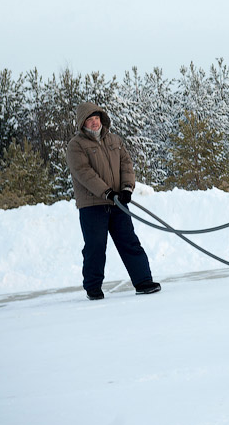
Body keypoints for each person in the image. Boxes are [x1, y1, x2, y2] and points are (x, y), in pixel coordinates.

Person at [66, 102, 161, 300]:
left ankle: (143, 281)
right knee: (95, 247)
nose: (94, 123)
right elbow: (84, 173)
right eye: (90, 120)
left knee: (130, 242)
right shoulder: (76, 145)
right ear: (82, 123)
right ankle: (93, 288)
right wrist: (107, 192)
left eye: (97, 118)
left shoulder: (114, 140)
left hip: (118, 202)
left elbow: (126, 164)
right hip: (92, 205)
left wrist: (126, 188)